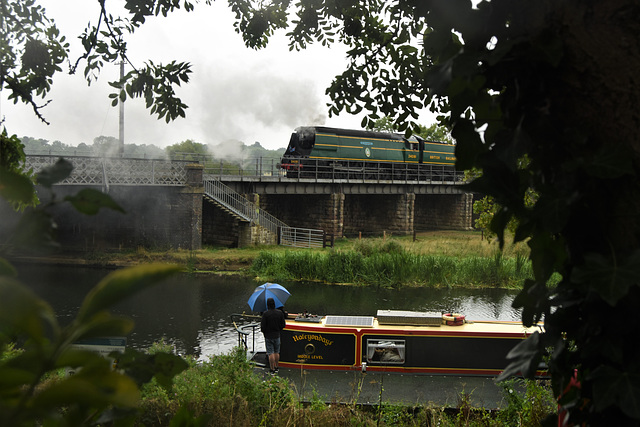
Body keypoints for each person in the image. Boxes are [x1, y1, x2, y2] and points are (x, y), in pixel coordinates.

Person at [261, 297, 286, 375]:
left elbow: (263, 327)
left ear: (267, 305)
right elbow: (283, 325)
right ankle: (277, 367)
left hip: (268, 336)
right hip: (277, 335)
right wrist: (278, 329)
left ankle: (272, 369)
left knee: (270, 353)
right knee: (276, 352)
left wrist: (265, 332)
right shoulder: (280, 313)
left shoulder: (265, 314)